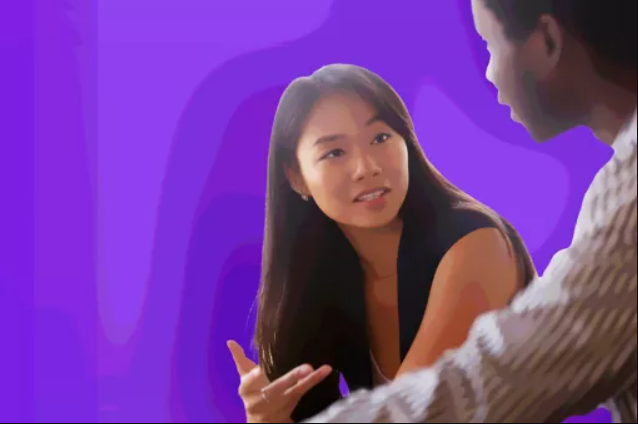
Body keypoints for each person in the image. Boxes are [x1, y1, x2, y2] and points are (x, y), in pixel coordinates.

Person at [303, 0, 637, 423]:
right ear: (295, 178)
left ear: (548, 41)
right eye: (333, 152)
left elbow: (491, 386)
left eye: (490, 45)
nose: (490, 74)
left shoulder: (626, 209)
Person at [226, 63, 537, 423]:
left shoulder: (477, 245)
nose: (367, 167)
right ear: (296, 178)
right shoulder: (326, 277)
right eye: (334, 153)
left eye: (380, 138)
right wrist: (267, 419)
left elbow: (406, 417)